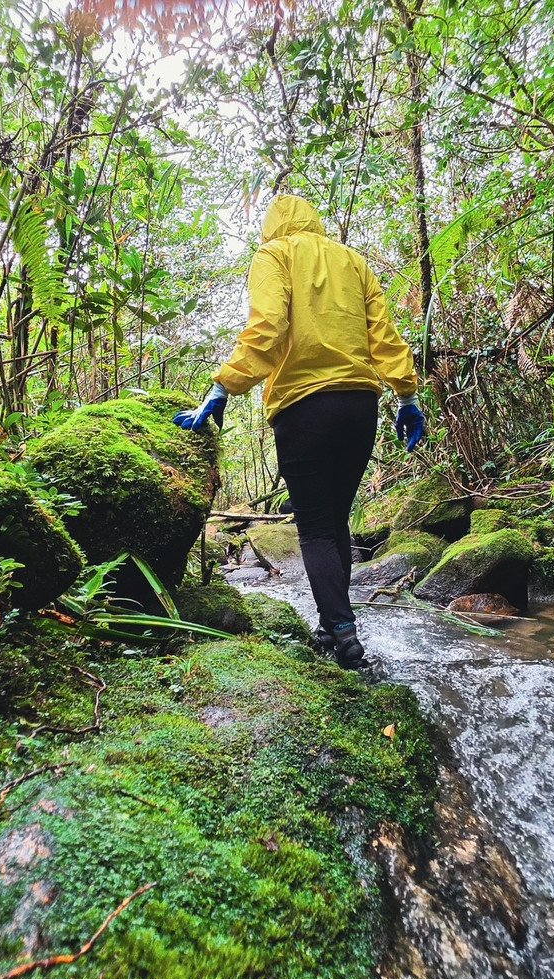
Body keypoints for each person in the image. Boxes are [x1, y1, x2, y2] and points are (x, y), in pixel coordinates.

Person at [173, 194, 426, 669]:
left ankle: (344, 633)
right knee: (336, 521)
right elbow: (384, 336)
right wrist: (407, 396)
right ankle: (331, 624)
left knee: (314, 527)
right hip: (358, 406)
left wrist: (225, 386)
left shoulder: (274, 255)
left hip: (303, 407)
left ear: (272, 225)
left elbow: (268, 328)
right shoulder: (352, 261)